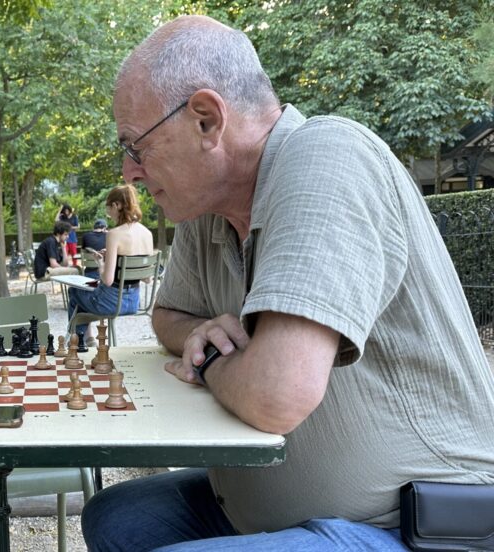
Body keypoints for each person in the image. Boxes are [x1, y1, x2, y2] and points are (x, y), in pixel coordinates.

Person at [81, 15, 494, 552]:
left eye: (136, 147)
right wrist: (202, 333)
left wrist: (207, 359)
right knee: (116, 517)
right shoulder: (207, 207)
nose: (129, 171)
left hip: (418, 524)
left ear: (206, 120)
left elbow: (276, 396)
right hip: (267, 508)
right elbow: (168, 317)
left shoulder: (328, 157)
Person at [67, 185, 155, 346]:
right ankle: (87, 339)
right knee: (84, 294)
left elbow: (107, 281)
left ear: (117, 205)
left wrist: (101, 263)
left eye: (109, 209)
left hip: (110, 303)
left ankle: (78, 343)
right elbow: (147, 278)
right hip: (134, 303)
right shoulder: (147, 234)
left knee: (74, 292)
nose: (109, 215)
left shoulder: (114, 234)